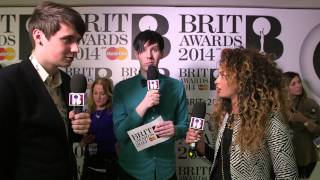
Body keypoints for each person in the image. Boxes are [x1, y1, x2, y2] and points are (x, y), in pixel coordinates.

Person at [0, 2, 91, 180]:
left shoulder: (67, 82)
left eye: (78, 40)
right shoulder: (8, 81)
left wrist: (78, 128)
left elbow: (58, 138)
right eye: (67, 39)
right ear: (39, 36)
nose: (76, 48)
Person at [185, 48, 299, 179]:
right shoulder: (227, 115)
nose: (216, 81)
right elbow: (223, 165)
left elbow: (288, 175)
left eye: (223, 75)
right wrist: (201, 148)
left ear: (243, 79)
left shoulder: (271, 119)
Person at [113, 30, 188, 180]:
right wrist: (144, 105)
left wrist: (176, 130)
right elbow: (120, 135)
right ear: (136, 54)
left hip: (166, 171)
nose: (149, 56)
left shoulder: (177, 87)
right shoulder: (122, 88)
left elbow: (184, 125)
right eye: (143, 50)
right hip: (131, 170)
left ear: (162, 53)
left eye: (154, 49)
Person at [283, 71, 320, 178]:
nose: (299, 86)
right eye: (293, 84)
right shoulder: (278, 107)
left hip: (308, 157)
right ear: (284, 87)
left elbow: (318, 130)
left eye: (299, 82)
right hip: (287, 158)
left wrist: (303, 119)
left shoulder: (310, 103)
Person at [80, 77, 118, 180]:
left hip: (110, 167)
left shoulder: (115, 113)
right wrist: (84, 141)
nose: (98, 97)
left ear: (109, 94)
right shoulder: (87, 113)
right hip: (90, 166)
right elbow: (82, 142)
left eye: (102, 93)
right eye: (95, 93)